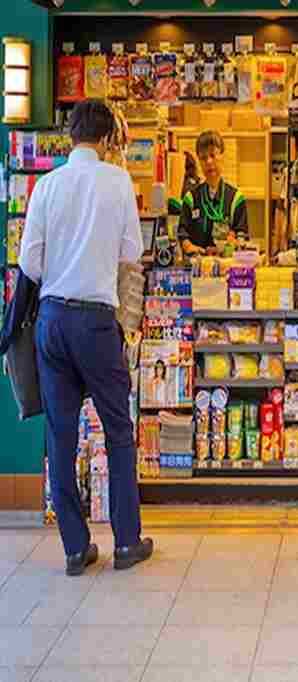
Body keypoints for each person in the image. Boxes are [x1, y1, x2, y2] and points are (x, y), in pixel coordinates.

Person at [20, 100, 154, 576]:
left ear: (71, 135)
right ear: (108, 138)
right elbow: (130, 253)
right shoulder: (117, 182)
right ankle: (126, 542)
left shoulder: (47, 185)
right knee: (119, 430)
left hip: (52, 322)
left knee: (60, 435)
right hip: (97, 322)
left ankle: (76, 548)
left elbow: (30, 263)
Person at [178, 130, 249, 255]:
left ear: (222, 156)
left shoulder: (236, 199)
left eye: (212, 155)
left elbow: (242, 235)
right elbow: (182, 234)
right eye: (203, 158)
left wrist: (232, 242)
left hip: (227, 266)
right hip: (198, 266)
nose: (209, 162)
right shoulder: (190, 198)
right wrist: (189, 246)